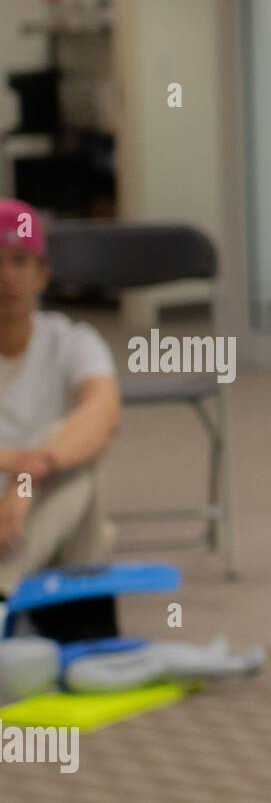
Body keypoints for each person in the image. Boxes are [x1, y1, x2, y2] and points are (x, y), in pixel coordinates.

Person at [0, 198, 121, 598]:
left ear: (42, 274)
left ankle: (3, 587)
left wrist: (30, 475)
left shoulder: (73, 342)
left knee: (80, 451)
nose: (6, 277)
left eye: (19, 261)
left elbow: (102, 414)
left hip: (47, 512)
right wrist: (14, 462)